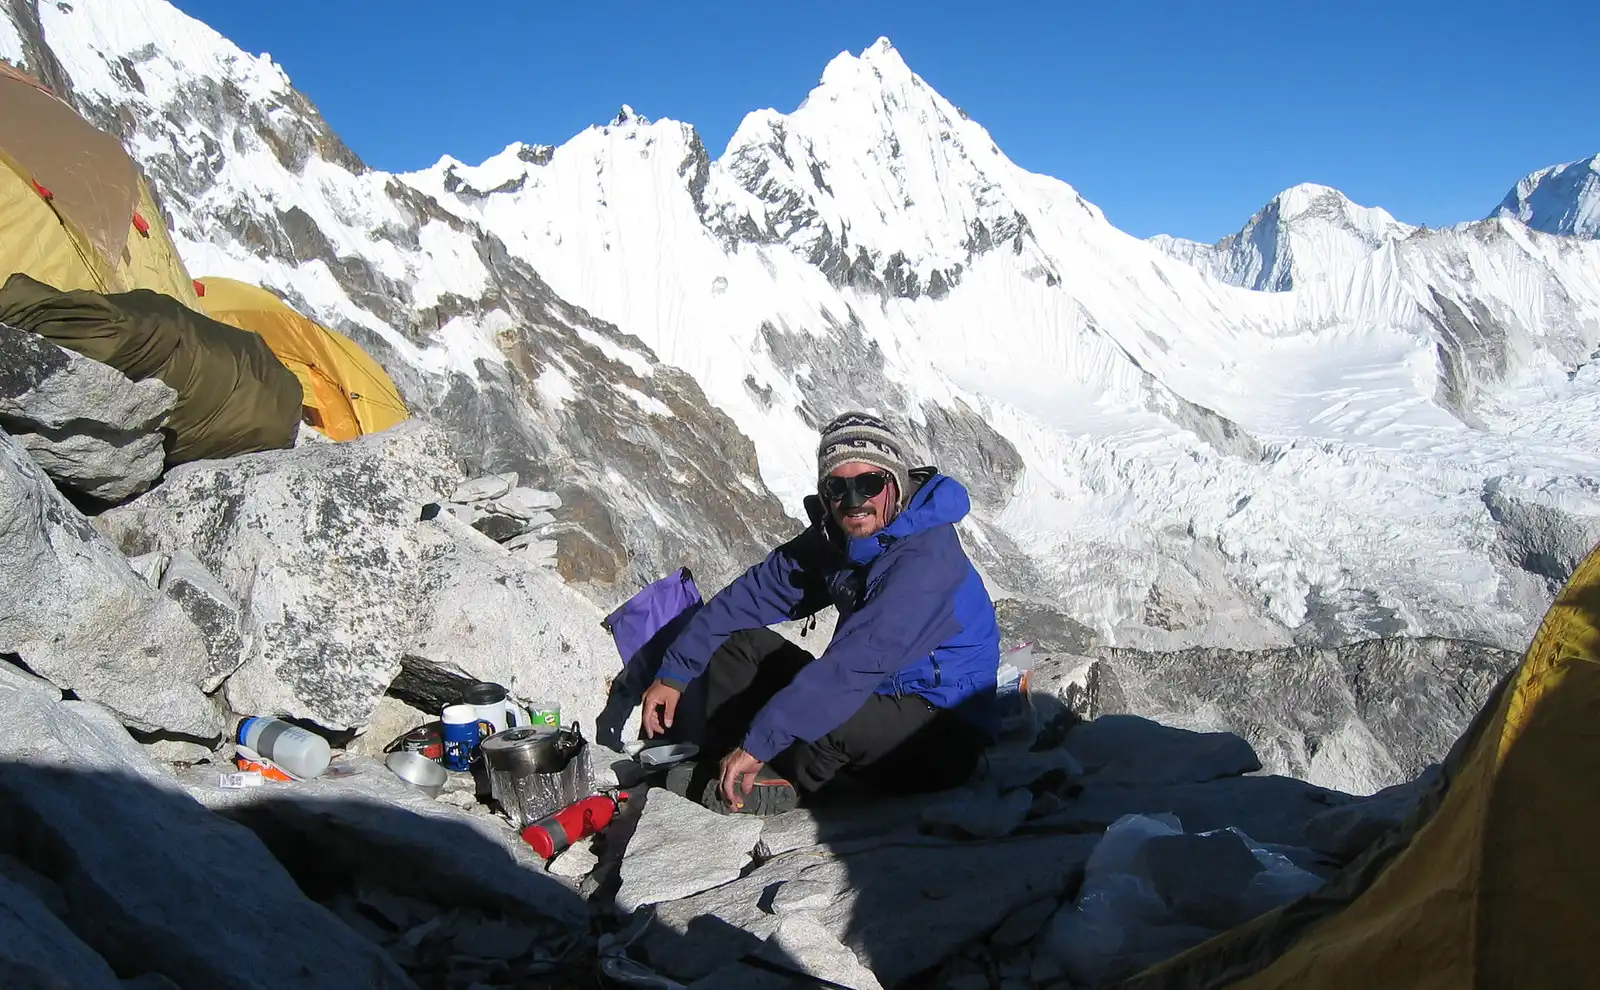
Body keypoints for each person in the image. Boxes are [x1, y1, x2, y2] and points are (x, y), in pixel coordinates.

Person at [639, 410, 1001, 815]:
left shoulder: (925, 562)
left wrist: (762, 739)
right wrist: (675, 673)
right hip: (873, 696)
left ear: (894, 484)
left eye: (869, 484)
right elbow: (751, 596)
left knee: (830, 716)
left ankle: (779, 782)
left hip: (944, 730)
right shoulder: (838, 538)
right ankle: (729, 756)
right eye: (837, 487)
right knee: (738, 645)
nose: (854, 501)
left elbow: (850, 670)